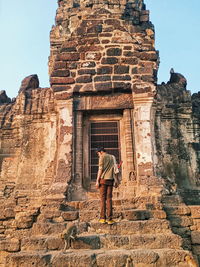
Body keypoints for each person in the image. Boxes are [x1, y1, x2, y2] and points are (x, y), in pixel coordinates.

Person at [95, 147, 120, 225]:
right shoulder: (112, 157)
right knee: (109, 199)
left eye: (98, 153)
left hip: (103, 180)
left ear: (101, 152)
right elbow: (115, 169)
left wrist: (97, 181)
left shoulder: (102, 157)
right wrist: (117, 180)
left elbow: (100, 169)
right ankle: (110, 219)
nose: (98, 155)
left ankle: (103, 218)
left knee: (103, 199)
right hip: (111, 180)